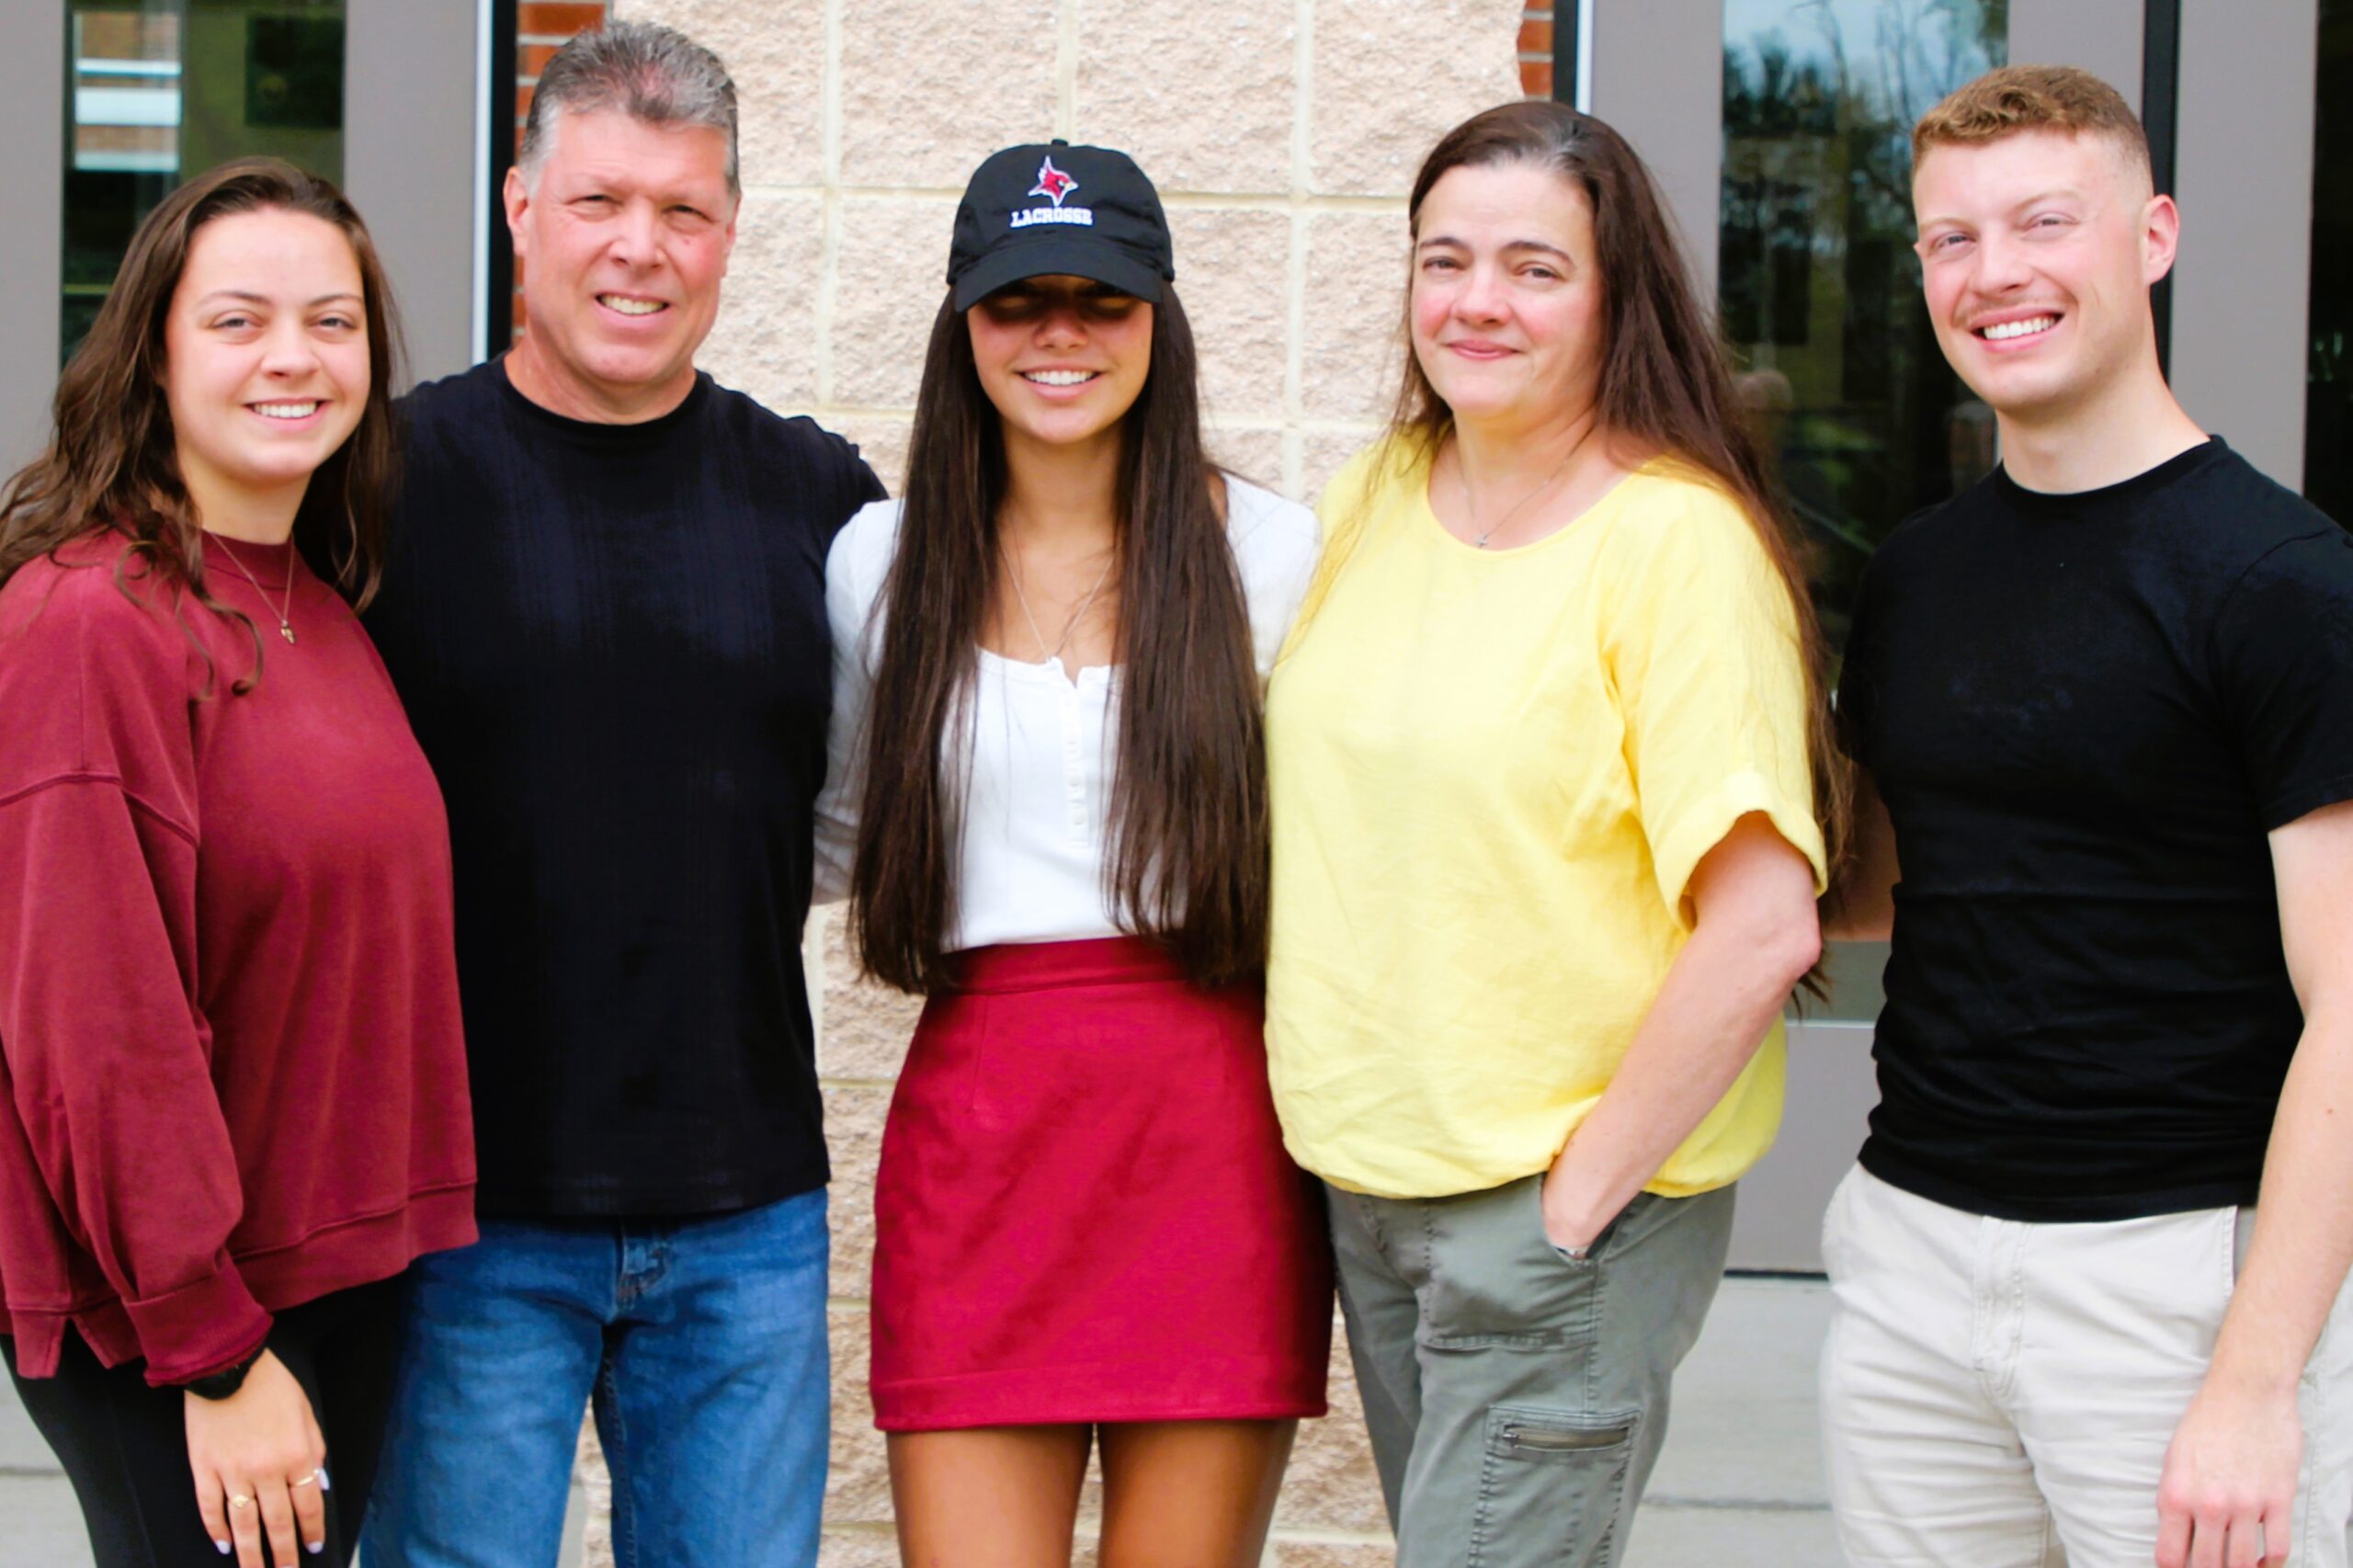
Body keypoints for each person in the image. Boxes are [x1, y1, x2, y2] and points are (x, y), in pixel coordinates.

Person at [1262, 101, 1835, 1568]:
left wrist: (1569, 1208)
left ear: (1612, 295)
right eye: (1443, 259)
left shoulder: (1677, 544)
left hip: (1556, 1209)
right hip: (1376, 1192)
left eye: (1533, 266)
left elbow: (1764, 923)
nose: (1477, 301)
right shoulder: (1377, 495)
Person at [355, 23, 882, 1568]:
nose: (639, 250)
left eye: (685, 210)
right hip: (462, 1217)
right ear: (522, 211)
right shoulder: (383, 483)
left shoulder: (820, 497)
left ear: (730, 231)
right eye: (597, 203)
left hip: (747, 1219)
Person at [1823, 63, 2353, 1568]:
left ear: (2154, 235)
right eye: (1949, 238)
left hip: (2174, 1282)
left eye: (2044, 222)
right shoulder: (1918, 575)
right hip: (1914, 1254)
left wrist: (2255, 1379)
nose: (1995, 275)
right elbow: (1894, 893)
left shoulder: (2284, 584)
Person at [817, 141, 1330, 1566]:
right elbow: (836, 835)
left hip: (1213, 1134)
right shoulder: (878, 560)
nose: (1059, 335)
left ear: (1158, 321)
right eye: (1016, 301)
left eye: (1099, 301)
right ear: (961, 328)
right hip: (981, 1138)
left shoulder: (1276, 554)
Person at [0, 159, 473, 1568]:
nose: (294, 357)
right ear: (152, 353)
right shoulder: (92, 621)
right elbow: (97, 1028)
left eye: (333, 321)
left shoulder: (313, 599)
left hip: (338, 1277)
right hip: (195, 1319)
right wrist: (211, 1348)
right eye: (239, 319)